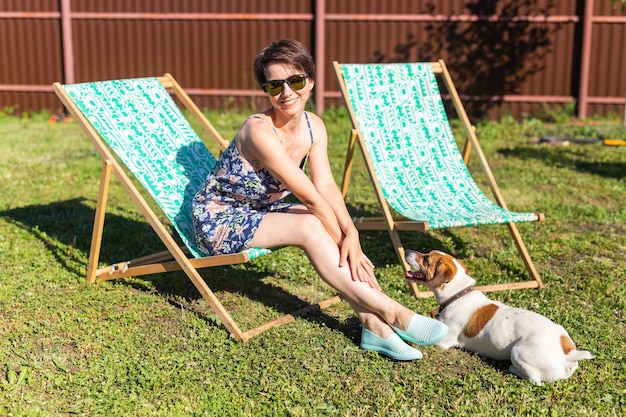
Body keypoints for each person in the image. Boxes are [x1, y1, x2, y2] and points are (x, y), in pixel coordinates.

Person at [192, 39, 448, 360]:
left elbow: (326, 186)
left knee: (330, 228)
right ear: (265, 90)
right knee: (312, 227)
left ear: (310, 81)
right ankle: (392, 311)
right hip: (219, 221)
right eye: (275, 85)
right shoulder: (259, 131)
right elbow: (311, 198)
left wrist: (350, 234)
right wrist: (345, 239)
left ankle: (374, 327)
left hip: (261, 211)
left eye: (295, 81)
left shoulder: (315, 126)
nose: (286, 93)